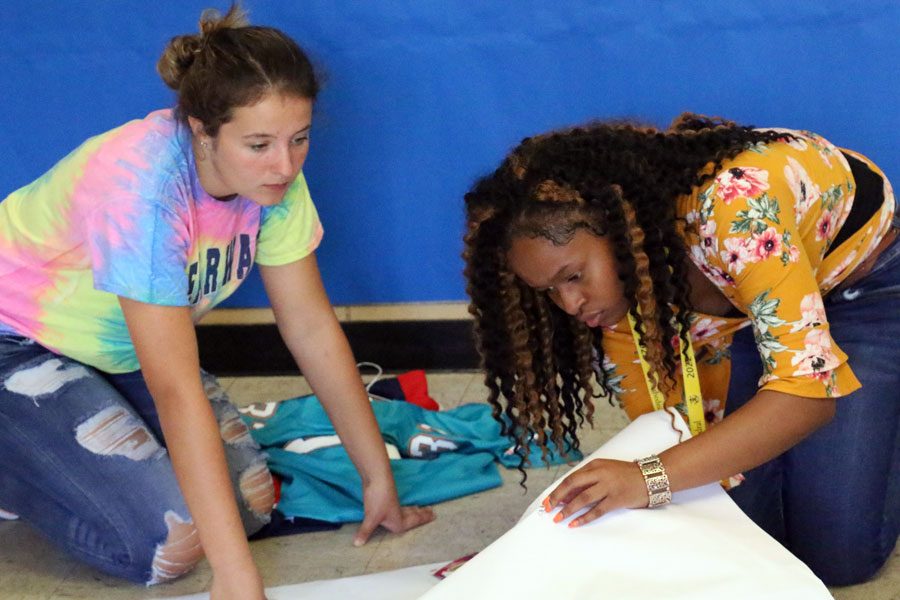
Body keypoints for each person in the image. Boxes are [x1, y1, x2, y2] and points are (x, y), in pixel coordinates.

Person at [0, 5, 433, 598]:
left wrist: (377, 481)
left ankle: (81, 433)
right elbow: (177, 392)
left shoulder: (275, 181)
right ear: (202, 130)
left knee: (251, 504)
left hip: (110, 350)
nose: (284, 164)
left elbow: (309, 327)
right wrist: (236, 579)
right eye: (258, 144)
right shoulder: (143, 192)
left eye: (299, 138)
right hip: (15, 342)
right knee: (164, 546)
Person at [462, 112, 898, 586]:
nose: (569, 304)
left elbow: (806, 401)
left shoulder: (734, 213)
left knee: (837, 559)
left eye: (573, 276)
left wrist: (647, 477)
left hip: (866, 285)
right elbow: (669, 425)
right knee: (750, 536)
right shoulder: (622, 296)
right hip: (754, 303)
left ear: (624, 229)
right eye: (548, 290)